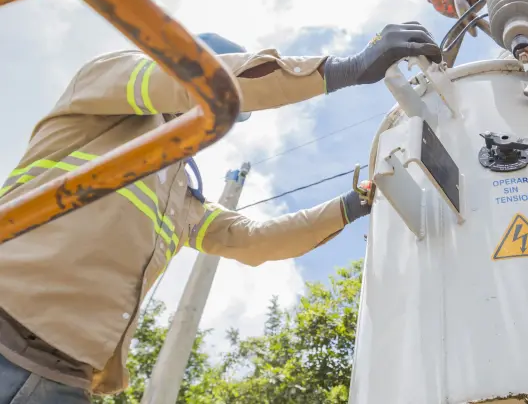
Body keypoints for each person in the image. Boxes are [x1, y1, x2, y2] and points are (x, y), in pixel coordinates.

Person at [0, 22, 441, 403]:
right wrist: (345, 69)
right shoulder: (105, 83)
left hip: (63, 379)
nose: (220, 122)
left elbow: (253, 241)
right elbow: (201, 84)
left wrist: (350, 204)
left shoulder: (177, 197)